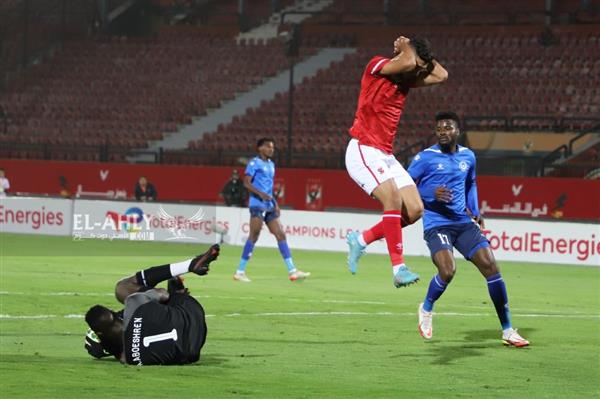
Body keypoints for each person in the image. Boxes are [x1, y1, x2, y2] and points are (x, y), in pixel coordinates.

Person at [407, 112, 529, 347]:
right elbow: (405, 187)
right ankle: (426, 308)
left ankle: (507, 330)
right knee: (448, 270)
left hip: (462, 222)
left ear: (457, 131)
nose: (443, 131)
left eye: (448, 127)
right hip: (436, 223)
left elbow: (471, 182)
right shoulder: (424, 158)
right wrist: (429, 194)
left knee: (491, 267)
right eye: (439, 128)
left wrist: (475, 209)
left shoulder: (468, 156)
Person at [344, 36, 448, 287]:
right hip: (363, 149)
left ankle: (361, 240)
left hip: (385, 154)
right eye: (414, 65)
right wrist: (406, 47)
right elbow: (408, 61)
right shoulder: (376, 66)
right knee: (393, 198)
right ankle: (398, 268)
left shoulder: (407, 80)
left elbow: (442, 75)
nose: (417, 70)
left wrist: (422, 55)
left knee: (414, 210)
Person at [84, 244, 220, 365]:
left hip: (193, 349)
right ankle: (188, 267)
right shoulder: (133, 306)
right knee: (123, 288)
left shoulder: (127, 359)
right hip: (191, 312)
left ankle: (177, 289)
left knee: (156, 315)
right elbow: (163, 294)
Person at [233, 138, 310, 283]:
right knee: (253, 236)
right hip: (257, 205)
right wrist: (260, 194)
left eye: (272, 148)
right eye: (268, 147)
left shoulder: (271, 165)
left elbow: (268, 188)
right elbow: (246, 183)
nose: (271, 150)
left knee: (280, 234)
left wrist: (275, 203)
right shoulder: (254, 163)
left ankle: (292, 271)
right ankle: (239, 272)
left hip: (269, 206)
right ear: (260, 148)